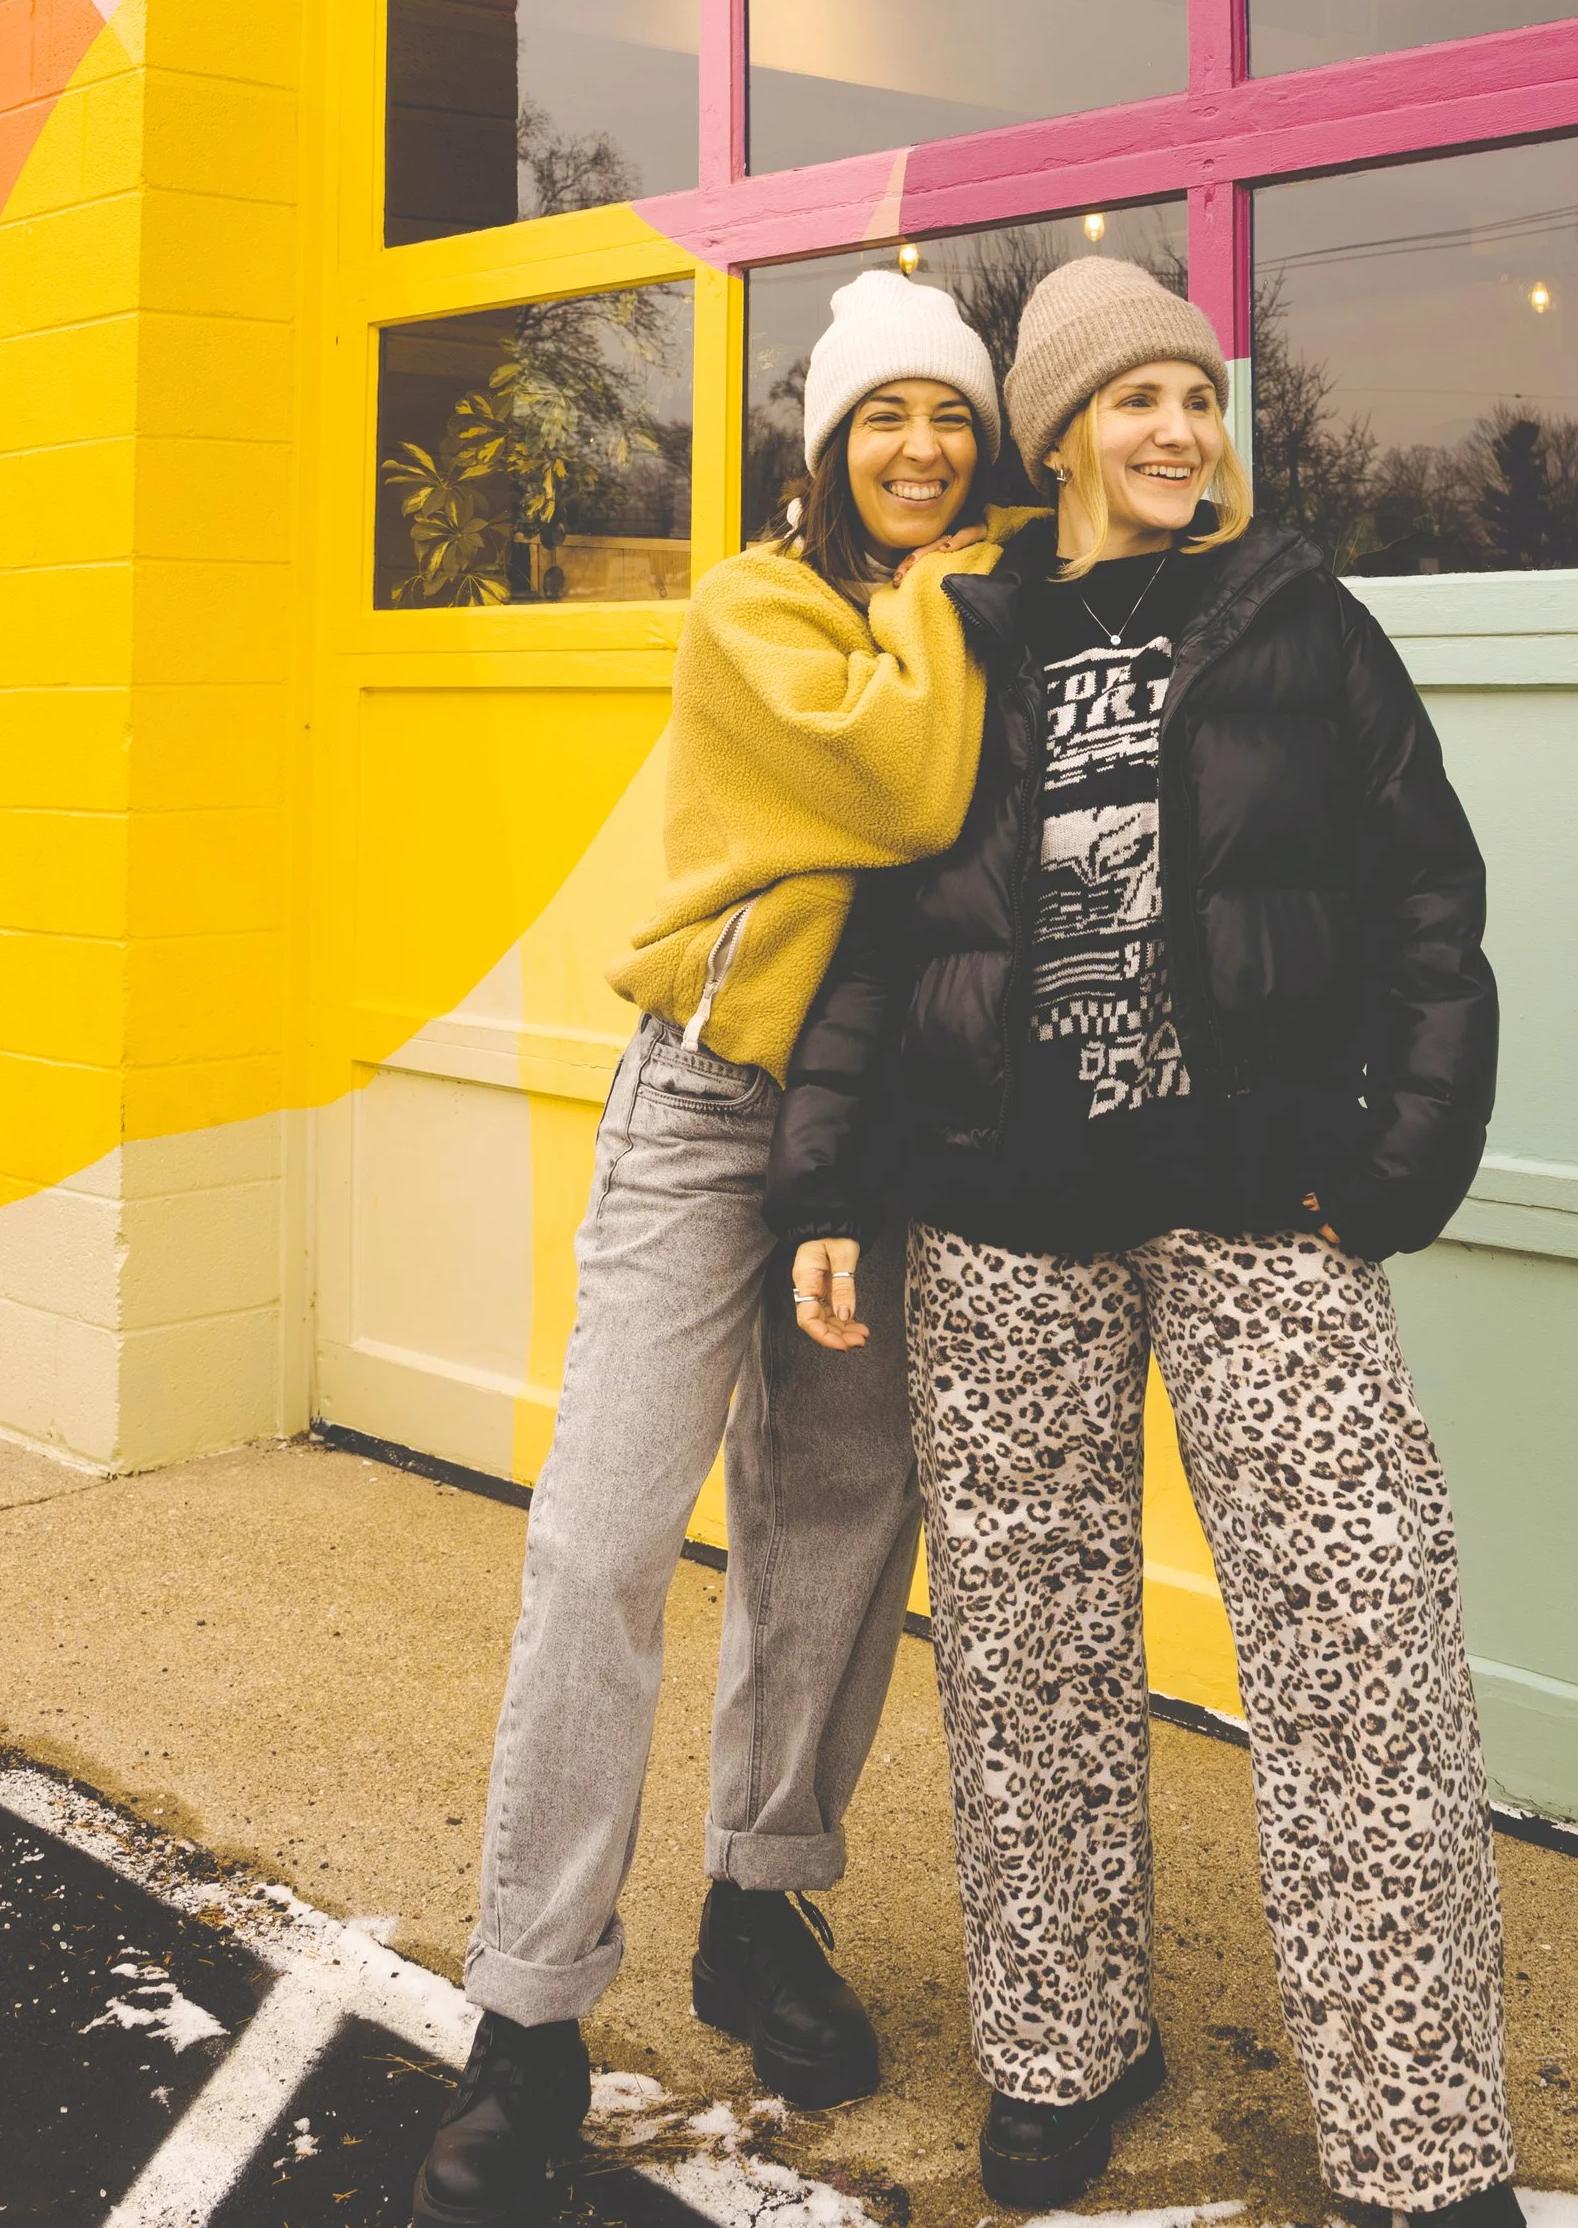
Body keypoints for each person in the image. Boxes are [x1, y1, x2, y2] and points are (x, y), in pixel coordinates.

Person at [767, 255, 1521, 2227]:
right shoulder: (969, 637)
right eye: (1135, 398)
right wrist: (827, 1182)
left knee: (1362, 1648)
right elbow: (873, 930)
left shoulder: (1305, 628)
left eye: (1198, 394)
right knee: (1027, 1662)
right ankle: (1061, 2047)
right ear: (1060, 430)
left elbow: (1432, 916)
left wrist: (1389, 1169)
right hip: (1001, 1220)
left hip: (1253, 1206)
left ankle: (1423, 2136)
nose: (1178, 429)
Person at [412, 271, 1006, 2228]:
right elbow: (913, 787)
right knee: (600, 1537)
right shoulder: (760, 609)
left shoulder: (948, 620)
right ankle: (526, 2006)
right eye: (883, 421)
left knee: (834, 1532)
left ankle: (759, 1908)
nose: (918, 452)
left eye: (949, 420)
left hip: (877, 1136)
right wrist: (953, 604)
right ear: (824, 442)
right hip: (704, 1112)